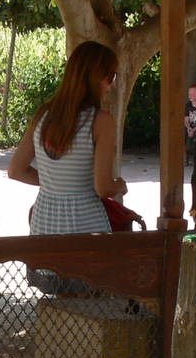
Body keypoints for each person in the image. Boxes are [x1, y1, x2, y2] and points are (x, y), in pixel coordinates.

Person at [9, 41, 128, 293]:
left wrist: (55, 182)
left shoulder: (43, 115)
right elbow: (102, 188)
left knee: (59, 320)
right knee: (87, 318)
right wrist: (121, 186)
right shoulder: (100, 121)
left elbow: (16, 170)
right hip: (85, 231)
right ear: (98, 78)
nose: (113, 83)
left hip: (44, 228)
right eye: (111, 76)